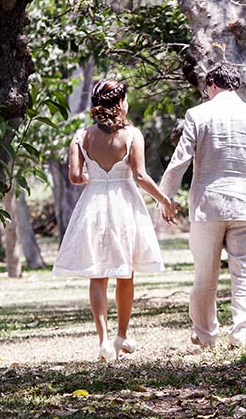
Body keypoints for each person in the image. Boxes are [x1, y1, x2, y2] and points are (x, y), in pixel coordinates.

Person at [159, 64, 246, 349]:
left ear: (212, 84)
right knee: (244, 271)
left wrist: (166, 199)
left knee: (205, 274)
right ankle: (240, 332)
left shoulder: (198, 115)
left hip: (208, 206)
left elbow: (179, 162)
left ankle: (205, 334)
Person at [53, 79, 176, 362]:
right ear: (120, 103)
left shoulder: (81, 136)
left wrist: (94, 179)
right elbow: (141, 176)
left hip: (93, 205)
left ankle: (104, 340)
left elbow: (74, 177)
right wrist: (164, 200)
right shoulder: (132, 135)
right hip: (123, 205)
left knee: (98, 275)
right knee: (125, 272)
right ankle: (122, 335)